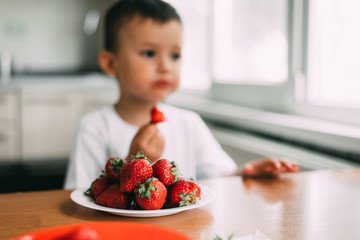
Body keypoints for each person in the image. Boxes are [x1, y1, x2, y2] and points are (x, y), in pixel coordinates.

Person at [64, 0, 298, 189]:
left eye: (175, 55)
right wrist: (132, 162)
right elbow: (81, 196)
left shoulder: (189, 123)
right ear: (111, 63)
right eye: (148, 53)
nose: (166, 66)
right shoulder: (93, 128)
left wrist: (247, 173)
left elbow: (219, 179)